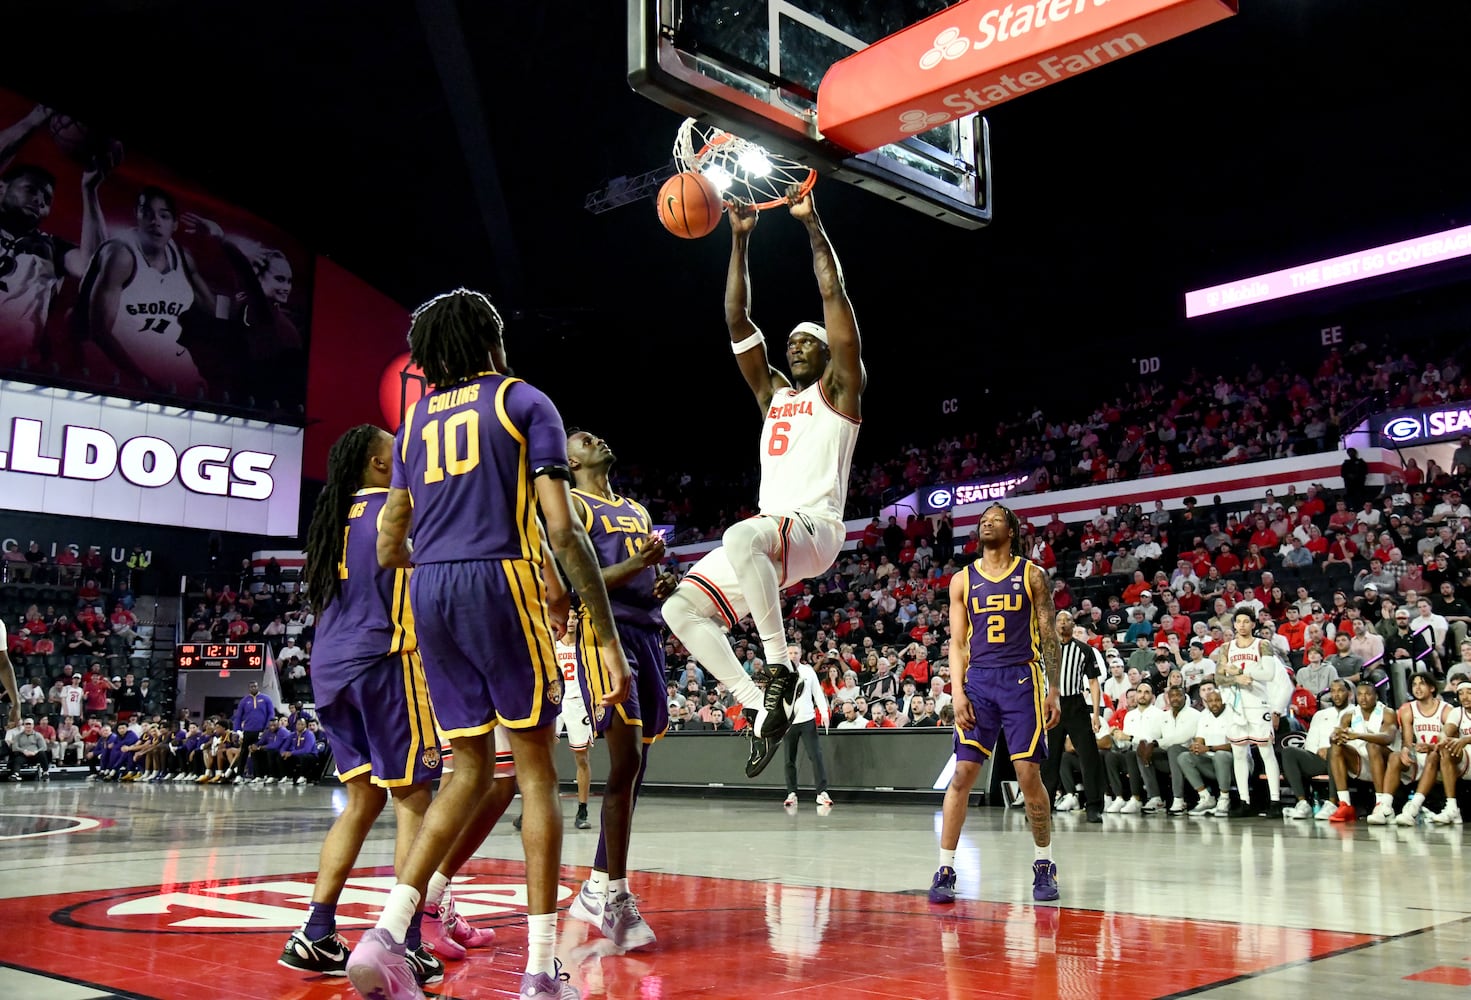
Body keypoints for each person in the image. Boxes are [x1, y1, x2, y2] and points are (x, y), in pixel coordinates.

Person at [346, 289, 625, 1000]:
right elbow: (562, 530)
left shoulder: (409, 427)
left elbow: (388, 543)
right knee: (534, 768)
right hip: (499, 578)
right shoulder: (524, 401)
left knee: (466, 767)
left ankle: (385, 935)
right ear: (491, 341)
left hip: (429, 592)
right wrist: (605, 633)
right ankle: (540, 968)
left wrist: (436, 560)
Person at [661, 187, 864, 780]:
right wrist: (739, 238)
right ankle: (762, 706)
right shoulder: (773, 394)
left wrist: (811, 225)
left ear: (829, 356)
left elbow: (833, 293)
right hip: (769, 538)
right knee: (682, 609)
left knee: (740, 535)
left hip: (815, 528)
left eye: (809, 342)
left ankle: (778, 665)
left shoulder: (841, 392)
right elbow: (736, 320)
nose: (797, 345)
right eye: (792, 341)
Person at [561, 429, 676, 951]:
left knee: (639, 766)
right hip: (603, 633)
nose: (599, 440)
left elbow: (644, 575)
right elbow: (575, 583)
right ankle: (616, 896)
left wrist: (662, 583)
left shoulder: (636, 510)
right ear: (570, 457)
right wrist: (637, 566)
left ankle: (597, 885)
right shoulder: (573, 508)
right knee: (625, 762)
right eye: (585, 438)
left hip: (648, 631)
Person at [929, 504, 1061, 905]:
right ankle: (946, 867)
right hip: (980, 680)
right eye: (983, 519)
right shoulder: (962, 580)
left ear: (1012, 530)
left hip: (1021, 678)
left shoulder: (1031, 575)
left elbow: (1048, 633)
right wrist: (958, 691)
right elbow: (956, 643)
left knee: (1027, 774)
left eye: (996, 518)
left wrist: (1053, 687)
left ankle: (1044, 862)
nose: (987, 522)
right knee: (963, 774)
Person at [0, 105, 113, 366]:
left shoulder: (50, 246)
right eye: (31, 189)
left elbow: (93, 266)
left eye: (47, 198)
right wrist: (34, 119)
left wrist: (90, 190)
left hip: (15, 368)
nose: (40, 200)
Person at [75, 186, 213, 394]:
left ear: (174, 224)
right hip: (121, 368)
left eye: (163, 216)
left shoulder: (183, 258)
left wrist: (217, 241)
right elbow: (100, 332)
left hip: (169, 363)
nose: (155, 221)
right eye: (146, 213)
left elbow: (210, 311)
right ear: (137, 216)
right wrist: (147, 382)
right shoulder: (121, 255)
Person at [1216, 610, 1285, 816]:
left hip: (1258, 702)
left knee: (1266, 751)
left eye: (1247, 621)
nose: (1243, 625)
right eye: (1239, 622)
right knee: (1238, 753)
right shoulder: (1226, 647)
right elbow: (1219, 679)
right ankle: (1244, 801)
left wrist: (1242, 673)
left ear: (1253, 624)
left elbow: (1269, 673)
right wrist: (1236, 678)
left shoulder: (1262, 644)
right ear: (1234, 625)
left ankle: (1275, 801)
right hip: (1236, 704)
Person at [1040, 612, 1105, 822]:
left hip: (1076, 705)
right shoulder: (1045, 648)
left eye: (1067, 620)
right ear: (1054, 624)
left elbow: (1094, 683)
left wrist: (1095, 713)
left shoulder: (1084, 650)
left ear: (1073, 624)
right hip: (1051, 705)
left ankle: (1094, 806)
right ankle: (1044, 806)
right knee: (1049, 759)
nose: (1063, 624)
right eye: (1059, 620)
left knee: (1089, 757)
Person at [1373, 672, 1451, 826]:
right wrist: (1406, 751)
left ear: (1432, 688)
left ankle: (1413, 807)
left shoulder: (1446, 710)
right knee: (1395, 756)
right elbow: (1407, 742)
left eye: (1422, 683)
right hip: (1420, 755)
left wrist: (1431, 747)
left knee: (1433, 756)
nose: (1417, 688)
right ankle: (1385, 807)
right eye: (1414, 685)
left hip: (1442, 756)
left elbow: (1448, 740)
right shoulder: (1408, 709)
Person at [1326, 681, 1397, 823]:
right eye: (1360, 694)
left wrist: (1358, 735)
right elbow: (1335, 735)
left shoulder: (1387, 713)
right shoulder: (1348, 715)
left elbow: (1388, 738)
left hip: (1387, 762)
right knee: (1335, 747)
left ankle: (1380, 803)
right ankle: (1344, 804)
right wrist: (1336, 737)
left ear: (1376, 696)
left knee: (1373, 746)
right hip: (1361, 762)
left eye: (1368, 694)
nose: (1363, 698)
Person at [1282, 679, 1352, 819]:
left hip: (1345, 759)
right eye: (1333, 691)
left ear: (1349, 694)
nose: (1336, 695)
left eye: (1340, 691)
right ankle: (1302, 804)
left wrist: (1330, 748)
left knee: (1334, 751)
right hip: (1319, 758)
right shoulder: (1321, 714)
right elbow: (1310, 741)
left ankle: (1332, 803)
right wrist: (1319, 750)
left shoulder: (1355, 712)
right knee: (1289, 752)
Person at [552, 617, 593, 831]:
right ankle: (536, 807)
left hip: (578, 704)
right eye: (567, 617)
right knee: (543, 757)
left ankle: (582, 809)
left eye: (575, 617)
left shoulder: (586, 647)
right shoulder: (553, 646)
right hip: (556, 702)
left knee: (581, 757)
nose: (570, 621)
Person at [781, 645, 832, 807]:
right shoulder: (780, 673)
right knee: (789, 759)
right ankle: (791, 793)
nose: (793, 655)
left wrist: (824, 713)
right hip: (788, 722)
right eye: (790, 653)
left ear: (801, 654)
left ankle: (821, 792)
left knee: (816, 756)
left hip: (808, 719)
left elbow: (817, 693)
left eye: (796, 653)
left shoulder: (808, 671)